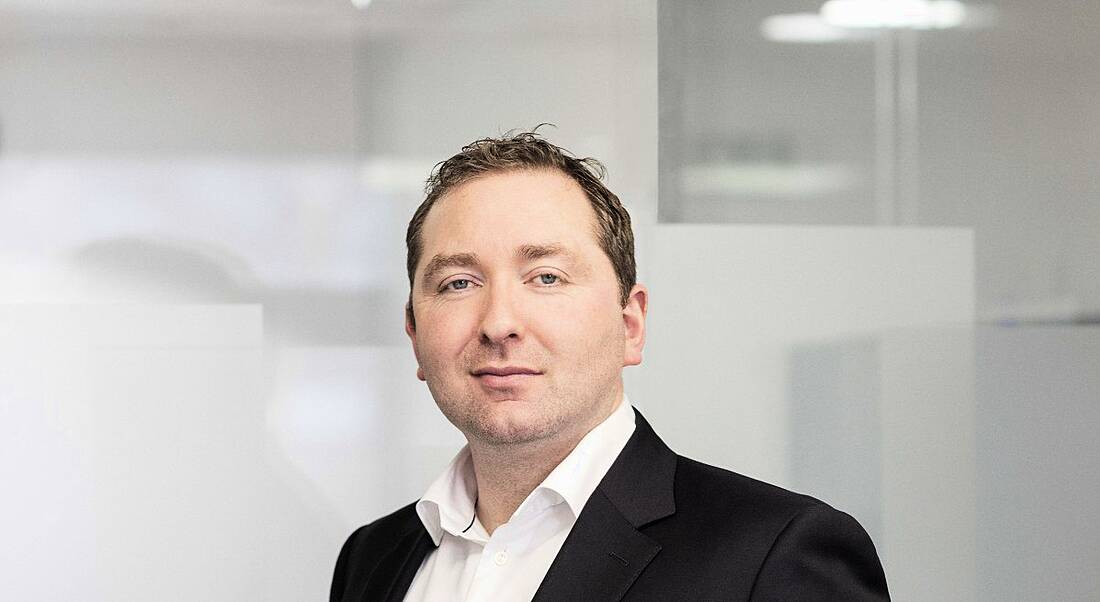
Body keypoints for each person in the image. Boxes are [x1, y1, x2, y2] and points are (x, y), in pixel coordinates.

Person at [330, 131, 890, 601]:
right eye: (459, 283)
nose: (498, 322)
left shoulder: (775, 555)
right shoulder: (373, 560)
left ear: (631, 324)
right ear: (413, 332)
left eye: (546, 277)